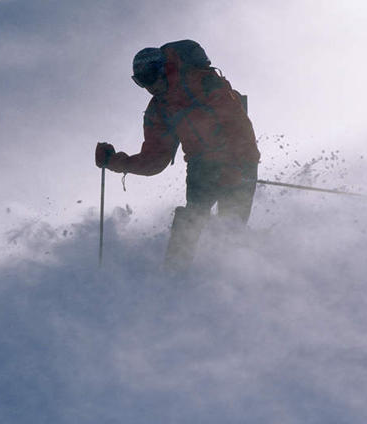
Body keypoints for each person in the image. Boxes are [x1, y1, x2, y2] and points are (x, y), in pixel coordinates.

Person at [95, 40, 260, 269]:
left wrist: (237, 164)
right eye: (140, 81)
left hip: (239, 160)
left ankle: (230, 274)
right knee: (191, 217)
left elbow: (238, 124)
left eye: (151, 75)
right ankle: (174, 275)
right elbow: (154, 161)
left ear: (162, 68)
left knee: (230, 225)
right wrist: (113, 161)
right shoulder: (159, 111)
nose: (149, 86)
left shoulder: (202, 82)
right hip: (201, 166)